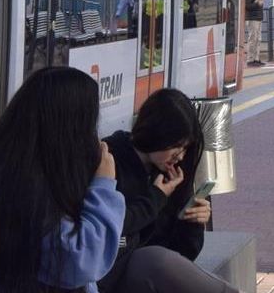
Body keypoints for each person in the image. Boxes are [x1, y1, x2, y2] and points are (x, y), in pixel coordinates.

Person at [0, 67, 125, 293]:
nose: (93, 134)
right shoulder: (20, 179)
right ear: (69, 128)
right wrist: (104, 186)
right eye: (89, 124)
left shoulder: (14, 156)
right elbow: (81, 261)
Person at [99, 88, 242, 293]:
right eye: (177, 146)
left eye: (185, 148)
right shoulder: (110, 159)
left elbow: (183, 255)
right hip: (111, 273)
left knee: (158, 261)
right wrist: (155, 199)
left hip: (153, 278)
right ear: (157, 133)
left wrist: (192, 223)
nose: (180, 156)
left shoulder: (172, 174)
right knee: (153, 260)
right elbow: (111, 226)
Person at [244, 0, 266, 66]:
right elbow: (248, 6)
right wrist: (258, 1)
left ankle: (256, 58)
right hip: (252, 19)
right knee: (253, 39)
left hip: (258, 18)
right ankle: (250, 59)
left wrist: (260, 0)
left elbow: (258, 5)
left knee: (258, 39)